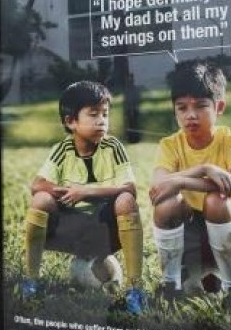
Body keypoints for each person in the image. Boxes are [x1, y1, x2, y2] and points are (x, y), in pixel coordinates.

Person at [23, 81, 144, 310]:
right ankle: (31, 282)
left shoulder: (113, 147)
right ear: (71, 122)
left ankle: (134, 289)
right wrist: (65, 192)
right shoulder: (62, 149)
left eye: (105, 114)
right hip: (73, 230)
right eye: (93, 114)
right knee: (41, 199)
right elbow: (37, 185)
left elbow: (130, 189)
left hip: (105, 229)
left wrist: (86, 191)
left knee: (126, 201)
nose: (102, 121)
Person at [148, 62, 231, 311]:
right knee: (166, 205)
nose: (191, 115)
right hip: (193, 233)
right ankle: (170, 286)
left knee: (216, 199)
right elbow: (157, 190)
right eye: (182, 107)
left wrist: (179, 180)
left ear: (219, 107)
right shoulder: (169, 145)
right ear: (174, 110)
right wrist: (204, 169)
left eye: (200, 105)